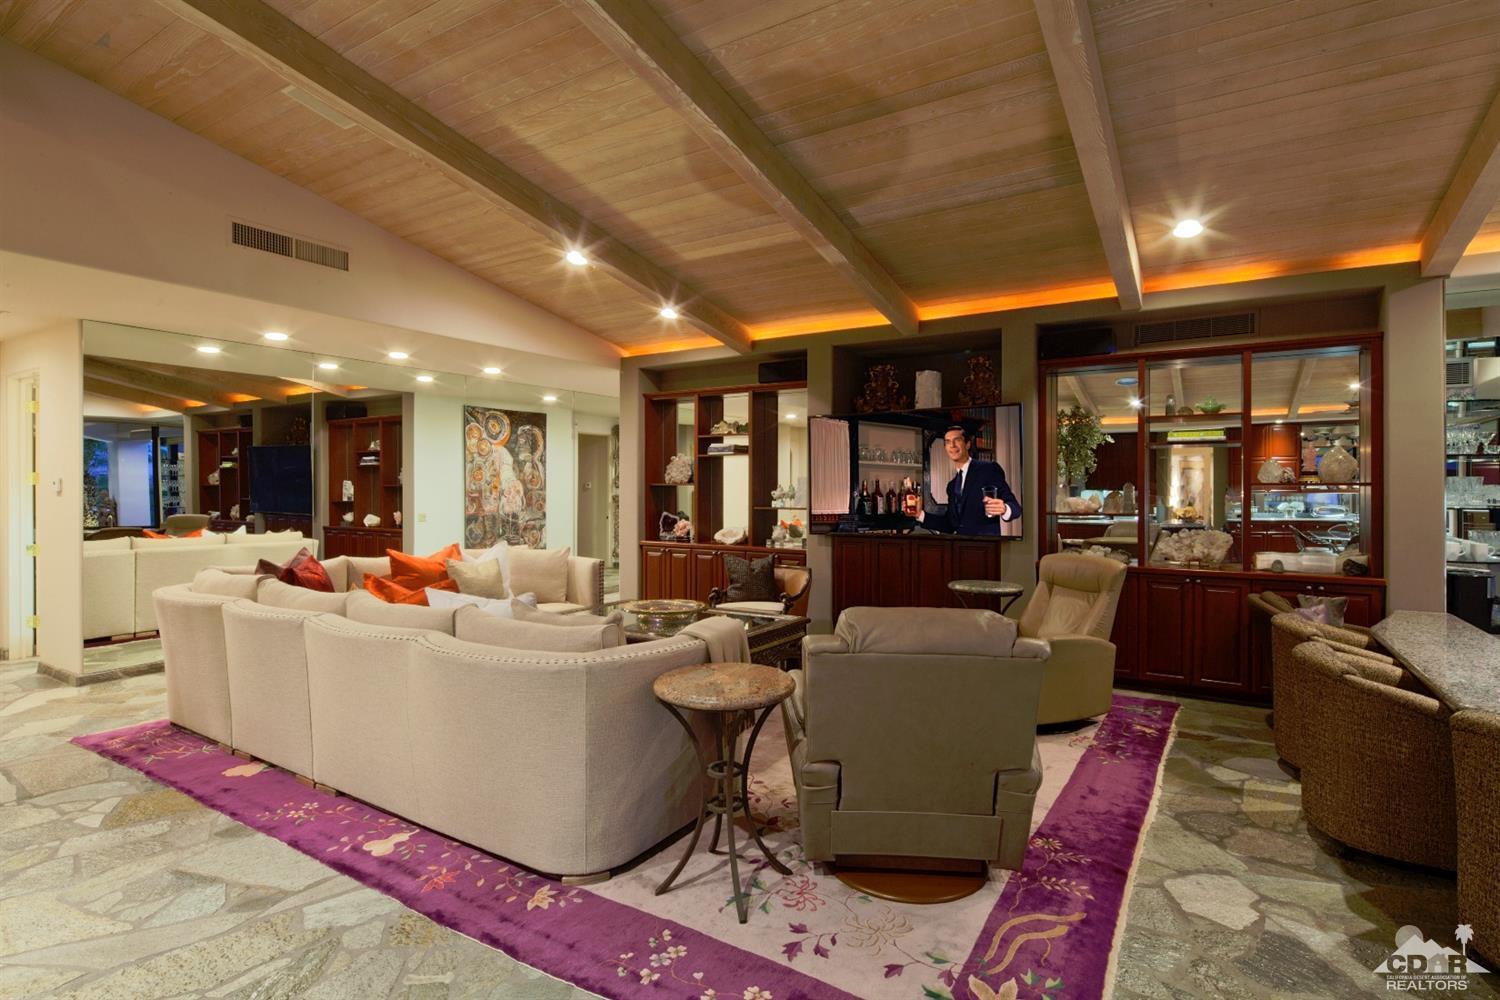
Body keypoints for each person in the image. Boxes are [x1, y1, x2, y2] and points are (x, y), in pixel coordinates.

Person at [916, 424, 1021, 536]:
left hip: (986, 548)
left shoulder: (988, 469)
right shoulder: (951, 486)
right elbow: (950, 524)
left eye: (957, 440)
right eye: (947, 442)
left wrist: (1005, 508)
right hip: (961, 549)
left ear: (967, 444)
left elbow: (1015, 507)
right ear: (945, 448)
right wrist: (919, 515)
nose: (952, 445)